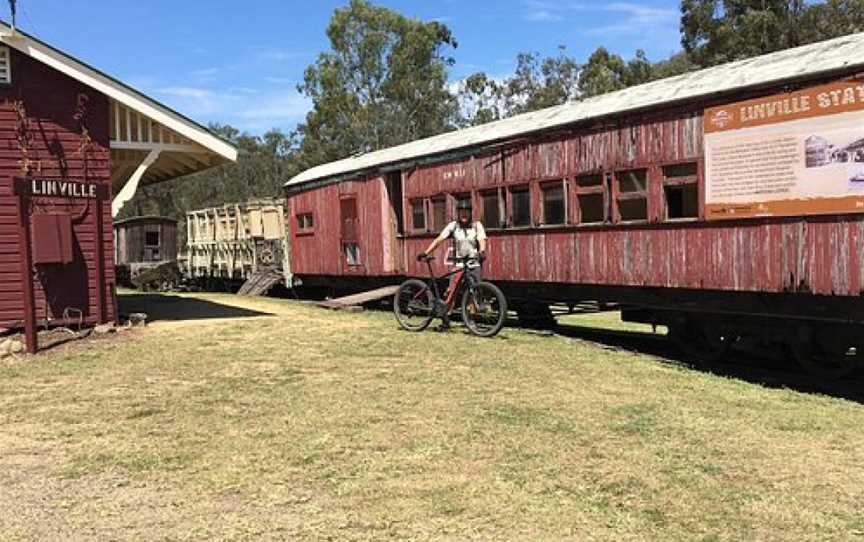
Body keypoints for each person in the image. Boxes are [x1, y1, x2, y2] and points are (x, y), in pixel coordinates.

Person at [417, 198, 487, 330]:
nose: (464, 214)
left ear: (470, 213)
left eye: (466, 212)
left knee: (473, 293)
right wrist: (426, 252)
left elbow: (482, 239)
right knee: (451, 293)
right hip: (459, 264)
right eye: (461, 212)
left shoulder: (477, 225)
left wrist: (482, 251)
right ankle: (445, 320)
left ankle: (471, 321)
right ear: (458, 213)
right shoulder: (453, 226)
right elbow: (439, 239)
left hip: (473, 264)